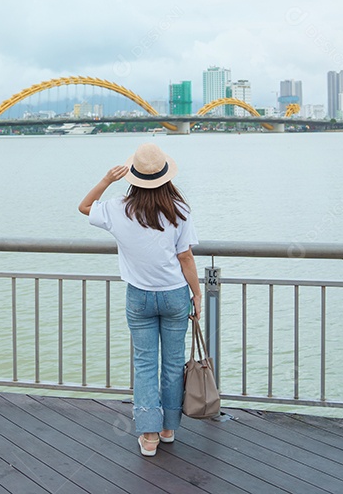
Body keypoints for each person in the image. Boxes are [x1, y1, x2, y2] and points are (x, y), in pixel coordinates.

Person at [78, 143, 201, 456]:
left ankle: (149, 437)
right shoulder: (179, 209)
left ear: (133, 176)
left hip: (139, 297)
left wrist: (107, 179)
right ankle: (168, 428)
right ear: (165, 175)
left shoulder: (118, 208)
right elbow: (185, 257)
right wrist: (197, 294)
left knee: (145, 363)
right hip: (175, 295)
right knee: (173, 363)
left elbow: (84, 206)